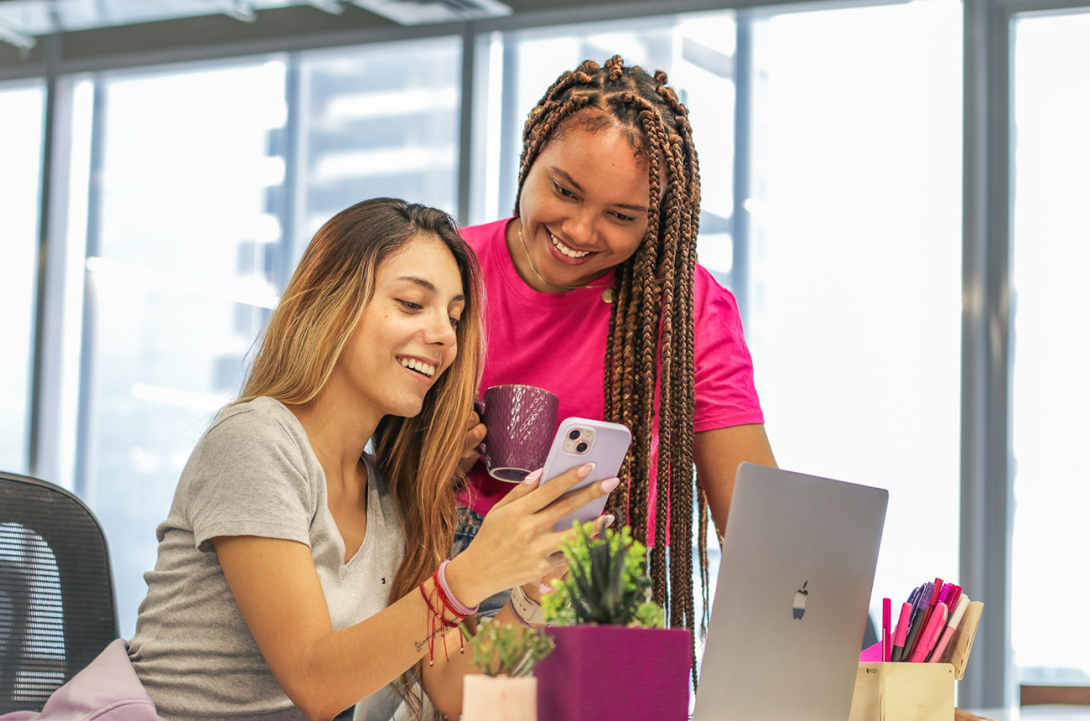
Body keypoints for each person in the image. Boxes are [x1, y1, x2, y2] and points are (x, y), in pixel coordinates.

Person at [125, 198, 616, 721]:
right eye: (410, 303)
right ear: (330, 303)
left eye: (454, 317)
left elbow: (456, 693)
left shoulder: (390, 497)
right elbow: (316, 682)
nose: (445, 336)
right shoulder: (254, 439)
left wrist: (532, 591)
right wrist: (470, 576)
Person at [453, 56, 778, 642]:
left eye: (620, 216)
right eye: (564, 191)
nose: (579, 230)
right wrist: (425, 457)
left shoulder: (687, 310)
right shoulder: (444, 270)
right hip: (453, 570)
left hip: (609, 584)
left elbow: (758, 527)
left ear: (654, 223)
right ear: (531, 155)